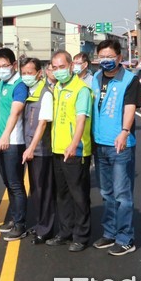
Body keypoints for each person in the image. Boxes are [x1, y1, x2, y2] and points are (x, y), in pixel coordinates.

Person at [91, 39, 141, 256]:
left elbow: (130, 108)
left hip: (120, 145)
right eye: (102, 56)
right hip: (99, 144)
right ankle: (110, 232)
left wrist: (124, 131)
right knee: (106, 192)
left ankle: (125, 237)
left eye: (110, 57)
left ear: (120, 58)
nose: (106, 60)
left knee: (122, 194)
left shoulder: (130, 79)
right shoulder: (96, 77)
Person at [46, 50, 92, 252]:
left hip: (76, 151)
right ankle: (65, 232)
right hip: (57, 149)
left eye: (62, 67)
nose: (58, 71)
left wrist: (74, 144)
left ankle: (81, 236)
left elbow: (81, 119)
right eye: (54, 68)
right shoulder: (57, 88)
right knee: (62, 194)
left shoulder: (81, 89)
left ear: (71, 66)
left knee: (78, 195)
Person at [0, 48, 29, 241]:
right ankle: (15, 219)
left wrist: (6, 135)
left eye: (5, 66)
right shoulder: (2, 83)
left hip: (14, 141)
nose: (1, 69)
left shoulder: (19, 84)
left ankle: (21, 224)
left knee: (16, 184)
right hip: (1, 140)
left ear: (14, 65)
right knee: (8, 183)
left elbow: (15, 112)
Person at [19, 58, 55, 245]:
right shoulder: (30, 92)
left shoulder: (45, 94)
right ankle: (41, 223)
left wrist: (31, 148)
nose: (26, 76)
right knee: (36, 190)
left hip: (42, 150)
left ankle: (46, 229)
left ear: (39, 73)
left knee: (43, 190)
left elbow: (42, 124)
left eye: (30, 72)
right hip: (31, 148)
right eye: (23, 72)